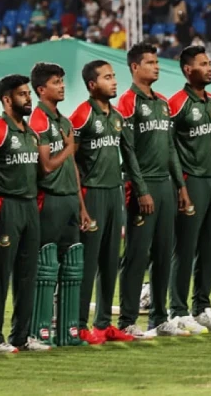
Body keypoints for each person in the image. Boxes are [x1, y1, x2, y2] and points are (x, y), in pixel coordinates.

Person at [117, 43, 192, 338]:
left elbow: (171, 148)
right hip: (143, 184)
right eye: (150, 62)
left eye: (157, 62)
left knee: (163, 253)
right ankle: (127, 320)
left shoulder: (162, 102)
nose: (156, 66)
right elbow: (128, 149)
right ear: (135, 67)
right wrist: (140, 189)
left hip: (165, 185)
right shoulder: (127, 102)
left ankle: (160, 318)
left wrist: (180, 186)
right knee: (137, 254)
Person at [69, 60, 141, 344]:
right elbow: (71, 161)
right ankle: (78, 324)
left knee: (111, 261)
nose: (114, 81)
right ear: (92, 84)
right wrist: (80, 204)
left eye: (114, 76)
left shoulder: (117, 116)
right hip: (92, 193)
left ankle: (104, 324)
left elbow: (128, 154)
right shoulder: (81, 115)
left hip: (114, 192)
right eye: (107, 77)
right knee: (88, 262)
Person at [0, 74, 51, 353]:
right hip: (5, 206)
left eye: (29, 93)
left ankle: (21, 335)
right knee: (0, 273)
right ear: (7, 99)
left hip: (30, 206)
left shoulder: (31, 133)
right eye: (22, 94)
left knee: (27, 273)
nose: (28, 98)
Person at [168, 46, 211, 333]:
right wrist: (180, 186)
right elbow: (169, 147)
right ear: (188, 69)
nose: (209, 69)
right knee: (185, 248)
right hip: (190, 181)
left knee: (209, 247)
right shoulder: (176, 103)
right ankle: (178, 310)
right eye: (203, 64)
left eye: (209, 63)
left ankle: (202, 308)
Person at [28, 62, 92, 347]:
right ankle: (38, 330)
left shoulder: (64, 122)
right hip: (50, 199)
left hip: (69, 200)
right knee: (45, 267)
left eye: (62, 81)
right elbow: (45, 167)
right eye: (56, 82)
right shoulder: (38, 121)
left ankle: (67, 331)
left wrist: (82, 206)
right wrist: (68, 147)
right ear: (41, 89)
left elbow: (72, 167)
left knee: (72, 266)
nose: (62, 86)